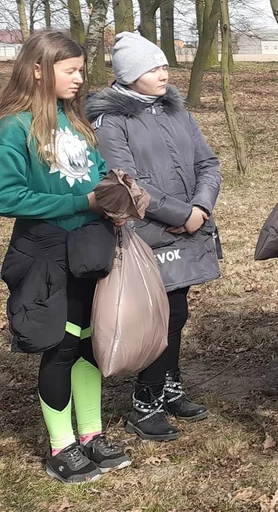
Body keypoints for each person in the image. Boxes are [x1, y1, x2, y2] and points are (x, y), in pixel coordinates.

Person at [0, 30, 131, 483]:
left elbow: (94, 176)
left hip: (89, 252)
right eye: (70, 70)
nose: (80, 79)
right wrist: (82, 204)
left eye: (81, 70)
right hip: (45, 255)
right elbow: (7, 195)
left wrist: (118, 194)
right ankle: (62, 446)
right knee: (59, 347)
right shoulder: (14, 126)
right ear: (38, 69)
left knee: (88, 344)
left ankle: (92, 435)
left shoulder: (76, 122)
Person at [86, 31, 222, 442]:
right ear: (129, 75)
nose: (164, 73)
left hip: (186, 227)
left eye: (164, 65)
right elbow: (127, 182)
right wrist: (181, 215)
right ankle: (145, 403)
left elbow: (208, 162)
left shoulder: (175, 111)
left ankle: (168, 388)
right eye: (153, 68)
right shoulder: (111, 121)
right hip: (145, 233)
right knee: (156, 316)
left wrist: (199, 209)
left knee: (176, 312)